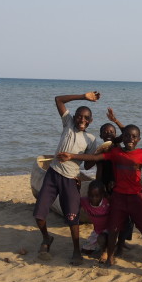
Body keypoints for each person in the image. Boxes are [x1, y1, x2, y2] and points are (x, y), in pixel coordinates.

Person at [56, 124, 142, 267]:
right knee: (113, 227)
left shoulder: (141, 153)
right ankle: (110, 255)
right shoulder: (115, 152)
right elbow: (94, 157)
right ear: (122, 138)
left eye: (134, 137)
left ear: (138, 139)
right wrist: (72, 156)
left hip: (136, 196)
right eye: (127, 136)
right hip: (117, 196)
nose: (130, 139)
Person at [33, 91, 100, 264]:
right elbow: (58, 99)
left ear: (91, 121)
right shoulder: (68, 124)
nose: (82, 120)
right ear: (74, 117)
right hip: (53, 174)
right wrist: (84, 97)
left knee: (72, 218)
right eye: (79, 116)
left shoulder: (91, 139)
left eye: (86, 118)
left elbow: (88, 165)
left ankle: (76, 250)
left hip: (70, 179)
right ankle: (47, 238)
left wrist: (95, 154)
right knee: (39, 214)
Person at [80, 180, 110, 262]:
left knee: (102, 238)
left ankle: (105, 251)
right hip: (97, 230)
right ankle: (100, 245)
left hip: (109, 230)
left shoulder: (107, 202)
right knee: (85, 250)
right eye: (91, 195)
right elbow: (75, 202)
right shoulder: (85, 201)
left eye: (97, 196)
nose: (93, 198)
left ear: (102, 195)